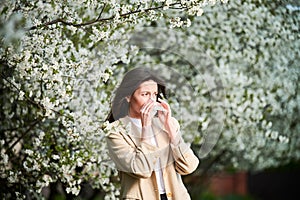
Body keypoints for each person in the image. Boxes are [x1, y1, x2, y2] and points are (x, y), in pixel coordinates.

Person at [105, 67, 199, 200]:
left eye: (154, 94)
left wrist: (171, 130)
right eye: (145, 94)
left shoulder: (168, 124)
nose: (151, 101)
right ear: (128, 96)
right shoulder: (115, 132)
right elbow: (141, 169)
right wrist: (146, 127)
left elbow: (189, 166)